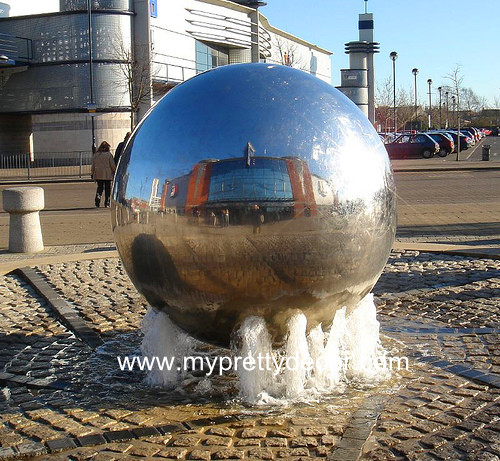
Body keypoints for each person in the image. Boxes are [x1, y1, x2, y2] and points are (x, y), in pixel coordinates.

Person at [91, 141, 116, 208]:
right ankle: (107, 202)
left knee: (100, 187)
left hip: (98, 173)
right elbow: (112, 165)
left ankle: (98, 198)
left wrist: (92, 172)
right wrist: (114, 171)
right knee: (108, 188)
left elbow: (93, 165)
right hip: (107, 174)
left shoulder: (96, 155)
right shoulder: (109, 155)